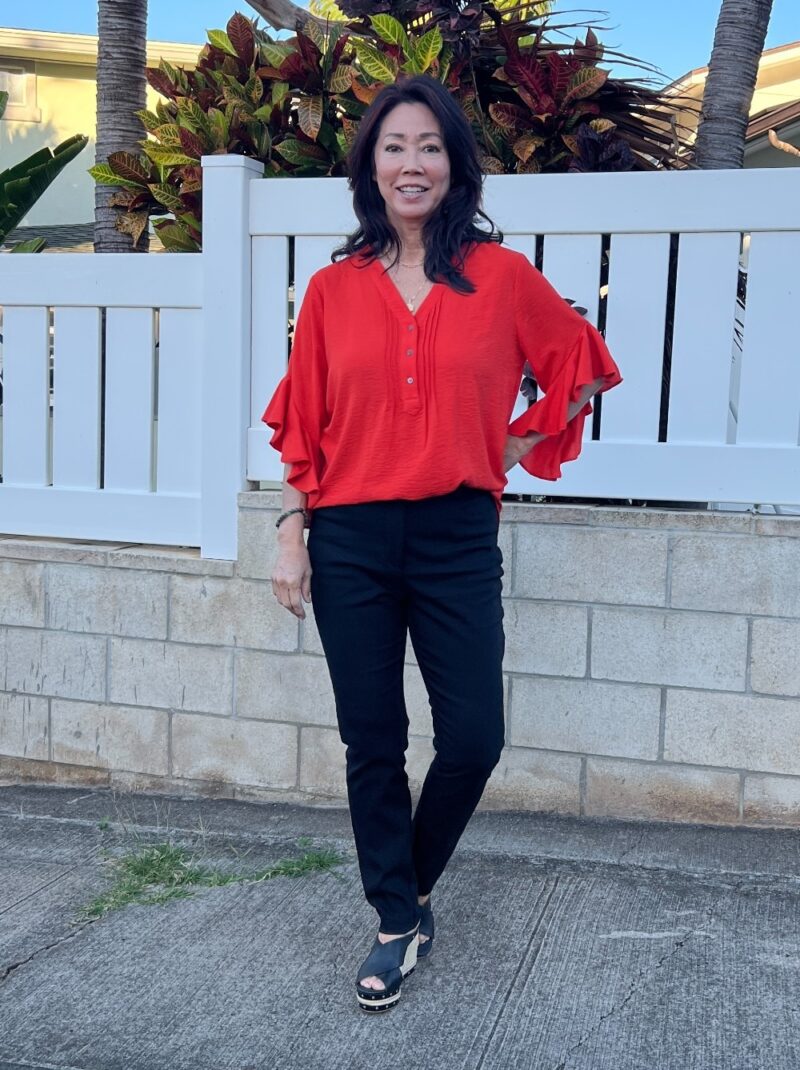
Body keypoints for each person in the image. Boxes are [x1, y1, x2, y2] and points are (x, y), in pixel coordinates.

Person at [262, 74, 622, 1013]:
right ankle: (394, 922)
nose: (411, 162)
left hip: (459, 535)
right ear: (370, 168)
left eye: (429, 146)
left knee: (472, 737)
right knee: (371, 740)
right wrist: (292, 530)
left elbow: (579, 365)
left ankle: (410, 889)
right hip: (350, 537)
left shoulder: (501, 279)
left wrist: (515, 438)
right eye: (393, 147)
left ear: (455, 164)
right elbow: (308, 426)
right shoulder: (334, 291)